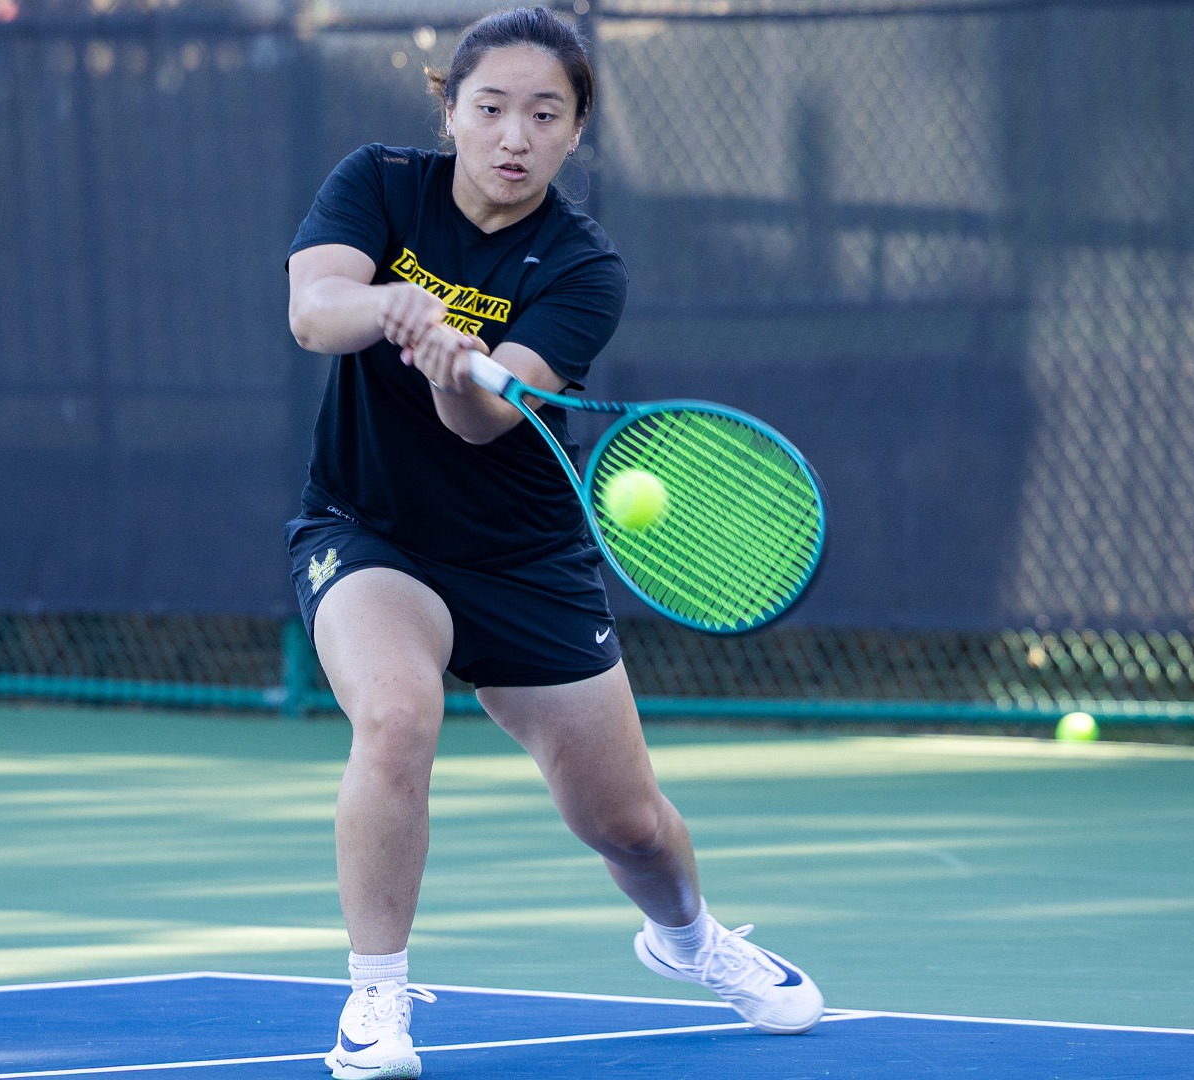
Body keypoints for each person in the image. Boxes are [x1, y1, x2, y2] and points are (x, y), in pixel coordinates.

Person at [283, 9, 823, 1078]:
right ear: (450, 109)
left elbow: (481, 419)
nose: (513, 136)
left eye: (544, 114)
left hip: (524, 557)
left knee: (629, 824)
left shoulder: (583, 267)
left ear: (576, 131)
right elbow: (314, 310)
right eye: (489, 108)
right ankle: (376, 1006)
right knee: (397, 716)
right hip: (370, 532)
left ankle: (690, 941)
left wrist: (461, 365)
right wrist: (395, 304)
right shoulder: (380, 183)